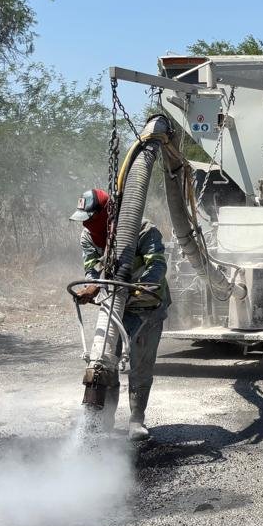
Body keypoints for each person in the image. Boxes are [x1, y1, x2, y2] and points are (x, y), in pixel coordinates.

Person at [70, 188, 170, 442]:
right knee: (107, 360)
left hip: (146, 305)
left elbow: (157, 264)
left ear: (106, 214)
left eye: (90, 218)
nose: (86, 224)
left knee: (140, 365)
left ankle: (137, 419)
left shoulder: (144, 230)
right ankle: (105, 419)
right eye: (83, 219)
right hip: (114, 304)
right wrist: (92, 287)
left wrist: (143, 287)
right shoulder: (88, 237)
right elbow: (92, 269)